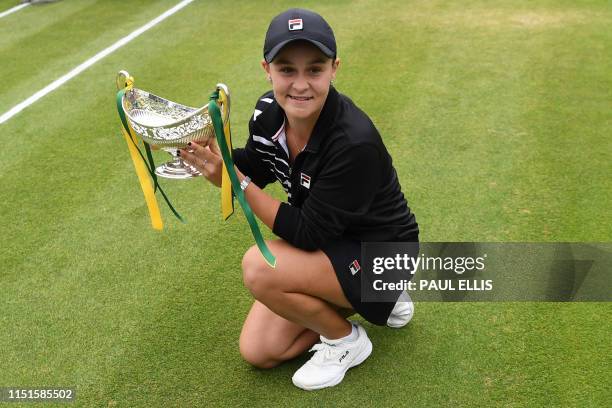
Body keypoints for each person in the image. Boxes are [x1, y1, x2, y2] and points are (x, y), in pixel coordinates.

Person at [179, 8, 419, 390]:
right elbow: (256, 166)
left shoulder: (353, 141)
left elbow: (306, 233)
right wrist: (215, 154)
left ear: (334, 69)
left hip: (381, 255)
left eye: (315, 69)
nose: (301, 84)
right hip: (333, 246)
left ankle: (346, 340)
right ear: (267, 69)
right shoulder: (266, 114)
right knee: (259, 351)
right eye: (287, 69)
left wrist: (236, 182)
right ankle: (354, 302)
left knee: (259, 266)